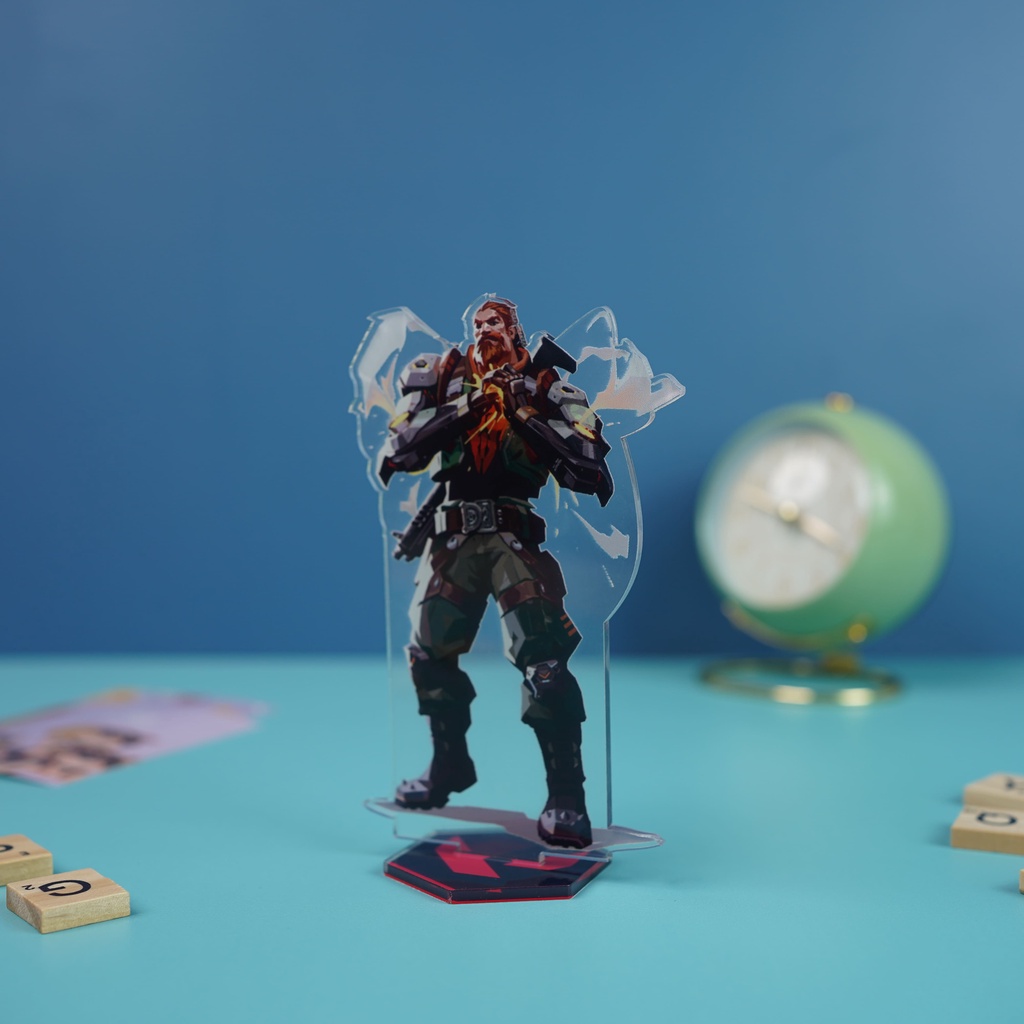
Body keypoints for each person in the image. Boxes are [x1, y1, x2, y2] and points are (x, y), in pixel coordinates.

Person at [377, 297, 613, 848]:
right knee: (429, 656)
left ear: (515, 332)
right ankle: (449, 765)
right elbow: (402, 449)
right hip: (455, 540)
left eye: (496, 324)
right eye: (478, 324)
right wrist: (469, 406)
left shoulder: (548, 386)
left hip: (514, 539)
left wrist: (522, 411)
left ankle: (566, 796)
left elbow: (588, 465)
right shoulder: (440, 377)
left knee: (546, 667)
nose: (485, 331)